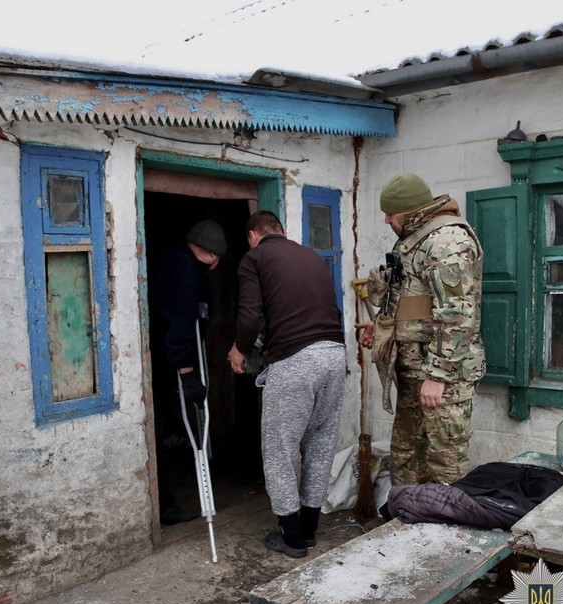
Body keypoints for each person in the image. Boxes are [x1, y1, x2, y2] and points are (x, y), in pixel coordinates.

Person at [227, 211, 346, 558]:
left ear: (252, 235)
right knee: (320, 443)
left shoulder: (255, 257)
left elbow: (249, 316)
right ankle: (309, 529)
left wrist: (239, 350)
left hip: (296, 360)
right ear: (283, 231)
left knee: (278, 449)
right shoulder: (310, 255)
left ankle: (292, 538)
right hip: (334, 354)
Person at [356, 172, 485, 486]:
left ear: (411, 211)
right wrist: (383, 328)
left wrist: (438, 376)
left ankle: (445, 533)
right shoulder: (415, 239)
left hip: (441, 379)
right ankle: (408, 528)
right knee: (407, 458)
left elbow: (457, 314)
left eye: (390, 213)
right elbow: (413, 300)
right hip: (415, 372)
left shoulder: (447, 241)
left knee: (445, 465)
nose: (386, 220)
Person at [149, 219, 227, 525]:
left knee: (161, 421)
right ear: (212, 255)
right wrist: (187, 371)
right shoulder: (183, 270)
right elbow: (181, 320)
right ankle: (164, 505)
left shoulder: (177, 259)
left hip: (165, 354)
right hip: (169, 357)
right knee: (156, 424)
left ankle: (165, 502)